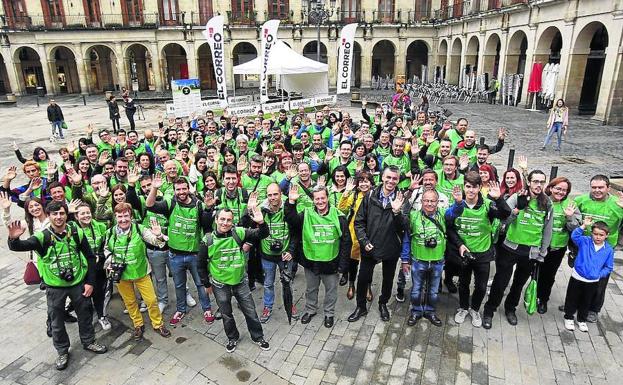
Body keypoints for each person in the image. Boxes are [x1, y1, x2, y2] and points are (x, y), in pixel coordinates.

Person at [7, 201, 107, 371]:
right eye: (54, 214)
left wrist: (89, 282)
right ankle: (62, 351)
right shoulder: (42, 237)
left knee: (85, 314)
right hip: (54, 287)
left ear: (66, 214)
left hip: (78, 283)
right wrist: (13, 239)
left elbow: (90, 257)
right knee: (57, 321)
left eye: (61, 213)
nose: (58, 217)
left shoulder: (76, 232)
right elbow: (20, 246)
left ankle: (89, 341)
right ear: (49, 215)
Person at [482, 170, 553, 329]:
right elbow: (503, 219)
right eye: (535, 181)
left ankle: (510, 309)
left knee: (519, 283)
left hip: (530, 251)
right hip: (510, 247)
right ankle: (489, 310)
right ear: (529, 182)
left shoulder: (547, 203)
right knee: (501, 281)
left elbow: (547, 229)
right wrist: (515, 212)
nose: (538, 185)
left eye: (542, 182)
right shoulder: (518, 197)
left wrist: (542, 252)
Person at [197, 205, 271, 353]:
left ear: (232, 222)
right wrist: (206, 283)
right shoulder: (208, 240)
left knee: (250, 311)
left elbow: (262, 234)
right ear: (216, 220)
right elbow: (200, 265)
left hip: (240, 282)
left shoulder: (239, 232)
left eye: (228, 220)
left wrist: (262, 223)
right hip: (220, 285)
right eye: (222, 219)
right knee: (226, 314)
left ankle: (258, 337)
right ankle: (232, 338)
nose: (225, 223)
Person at [145, 175, 215, 326]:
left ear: (189, 189)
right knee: (178, 285)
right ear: (174, 190)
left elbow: (207, 226)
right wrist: (155, 188)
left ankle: (207, 309)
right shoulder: (170, 203)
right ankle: (180, 309)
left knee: (201, 283)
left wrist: (208, 208)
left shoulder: (198, 205)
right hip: (175, 255)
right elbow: (149, 205)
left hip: (195, 255)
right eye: (178, 189)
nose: (181, 192)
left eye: (184, 188)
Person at [445, 172, 511, 327]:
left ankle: (474, 309)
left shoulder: (488, 205)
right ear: (464, 187)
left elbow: (505, 214)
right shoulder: (457, 203)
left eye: (474, 187)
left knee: (481, 286)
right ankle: (463, 307)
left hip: (482, 253)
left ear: (480, 188)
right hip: (464, 253)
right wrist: (460, 244)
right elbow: (449, 227)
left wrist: (499, 199)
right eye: (468, 186)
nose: (471, 190)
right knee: (463, 284)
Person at [285, 184, 351, 328]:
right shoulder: (306, 213)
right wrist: (291, 203)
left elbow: (347, 242)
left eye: (323, 198)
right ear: (313, 200)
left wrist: (343, 266)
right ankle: (311, 309)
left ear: (327, 198)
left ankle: (329, 313)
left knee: (331, 290)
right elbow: (292, 221)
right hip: (311, 261)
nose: (320, 201)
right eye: (317, 199)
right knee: (311, 289)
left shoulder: (339, 216)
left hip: (331, 262)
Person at [105, 203, 171, 339]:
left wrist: (158, 235)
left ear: (131, 216)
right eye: (120, 216)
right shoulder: (110, 232)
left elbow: (154, 241)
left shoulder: (139, 229)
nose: (123, 219)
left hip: (141, 272)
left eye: (126, 216)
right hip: (122, 274)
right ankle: (138, 324)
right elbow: (106, 249)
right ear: (115, 217)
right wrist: (110, 260)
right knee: (129, 302)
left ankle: (158, 324)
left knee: (151, 300)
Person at [348, 166, 405, 323]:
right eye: (388, 177)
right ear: (382, 178)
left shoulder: (402, 198)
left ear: (398, 180)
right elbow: (359, 222)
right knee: (363, 277)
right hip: (369, 246)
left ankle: (383, 303)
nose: (391, 181)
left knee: (388, 278)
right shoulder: (371, 195)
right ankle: (360, 307)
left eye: (394, 178)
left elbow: (404, 226)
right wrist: (364, 241)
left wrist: (396, 212)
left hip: (390, 247)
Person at [572, 175, 623, 323]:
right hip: (585, 246)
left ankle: (593, 309)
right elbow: (571, 215)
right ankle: (574, 304)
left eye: (601, 187)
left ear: (608, 188)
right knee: (579, 277)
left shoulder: (617, 203)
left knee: (599, 281)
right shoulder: (581, 200)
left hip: (605, 249)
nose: (597, 190)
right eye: (594, 187)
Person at [401, 189, 446, 326]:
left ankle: (430, 311)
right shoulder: (413, 216)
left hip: (437, 261)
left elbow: (456, 212)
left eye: (433, 201)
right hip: (418, 261)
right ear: (421, 202)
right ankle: (416, 311)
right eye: (426, 200)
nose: (429, 203)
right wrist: (404, 260)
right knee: (416, 290)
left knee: (433, 291)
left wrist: (458, 202)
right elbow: (407, 238)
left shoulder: (444, 215)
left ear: (438, 202)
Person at [537, 177, 581, 314]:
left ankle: (543, 299)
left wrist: (569, 217)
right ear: (551, 187)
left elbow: (576, 228)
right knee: (533, 272)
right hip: (538, 245)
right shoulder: (542, 200)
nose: (561, 192)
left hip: (557, 247)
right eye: (558, 188)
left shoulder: (571, 204)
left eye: (564, 190)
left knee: (549, 275)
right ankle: (531, 294)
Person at [563, 218, 614, 332]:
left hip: (592, 281)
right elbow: (574, 237)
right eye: (595, 234)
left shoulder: (609, 250)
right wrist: (583, 226)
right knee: (572, 298)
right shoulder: (585, 241)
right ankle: (569, 317)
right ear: (591, 233)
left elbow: (609, 267)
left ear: (607, 235)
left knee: (586, 301)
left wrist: (598, 274)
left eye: (601, 235)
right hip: (577, 277)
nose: (598, 237)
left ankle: (581, 319)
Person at [258, 184, 298, 323]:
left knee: (288, 283)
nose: (272, 198)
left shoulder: (289, 208)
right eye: (269, 195)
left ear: (281, 194)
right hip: (267, 255)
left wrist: (291, 251)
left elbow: (295, 232)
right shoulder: (261, 209)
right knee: (268, 283)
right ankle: (268, 307)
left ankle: (290, 305)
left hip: (285, 255)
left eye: (275, 194)